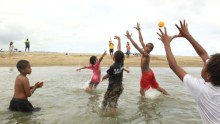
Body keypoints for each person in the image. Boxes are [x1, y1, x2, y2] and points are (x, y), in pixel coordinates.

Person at [157, 20, 220, 123]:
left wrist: (166, 43)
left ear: (208, 76)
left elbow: (173, 66)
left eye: (205, 65)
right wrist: (188, 36)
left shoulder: (202, 90)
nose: (204, 61)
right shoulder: (215, 74)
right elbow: (204, 54)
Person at [125, 22, 169, 96]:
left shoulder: (145, 54)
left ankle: (143, 105)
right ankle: (167, 94)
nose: (146, 47)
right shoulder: (145, 52)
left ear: (151, 50)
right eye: (146, 46)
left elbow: (136, 46)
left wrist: (130, 38)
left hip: (146, 74)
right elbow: (141, 40)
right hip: (150, 72)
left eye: (148, 47)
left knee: (141, 91)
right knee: (156, 87)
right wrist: (139, 31)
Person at [102, 35, 129, 115]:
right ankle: (108, 113)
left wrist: (103, 77)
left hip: (113, 87)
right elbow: (119, 51)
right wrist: (119, 40)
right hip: (118, 87)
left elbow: (107, 75)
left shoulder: (112, 67)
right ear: (123, 59)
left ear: (113, 58)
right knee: (108, 101)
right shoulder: (121, 64)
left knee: (110, 103)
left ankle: (112, 118)